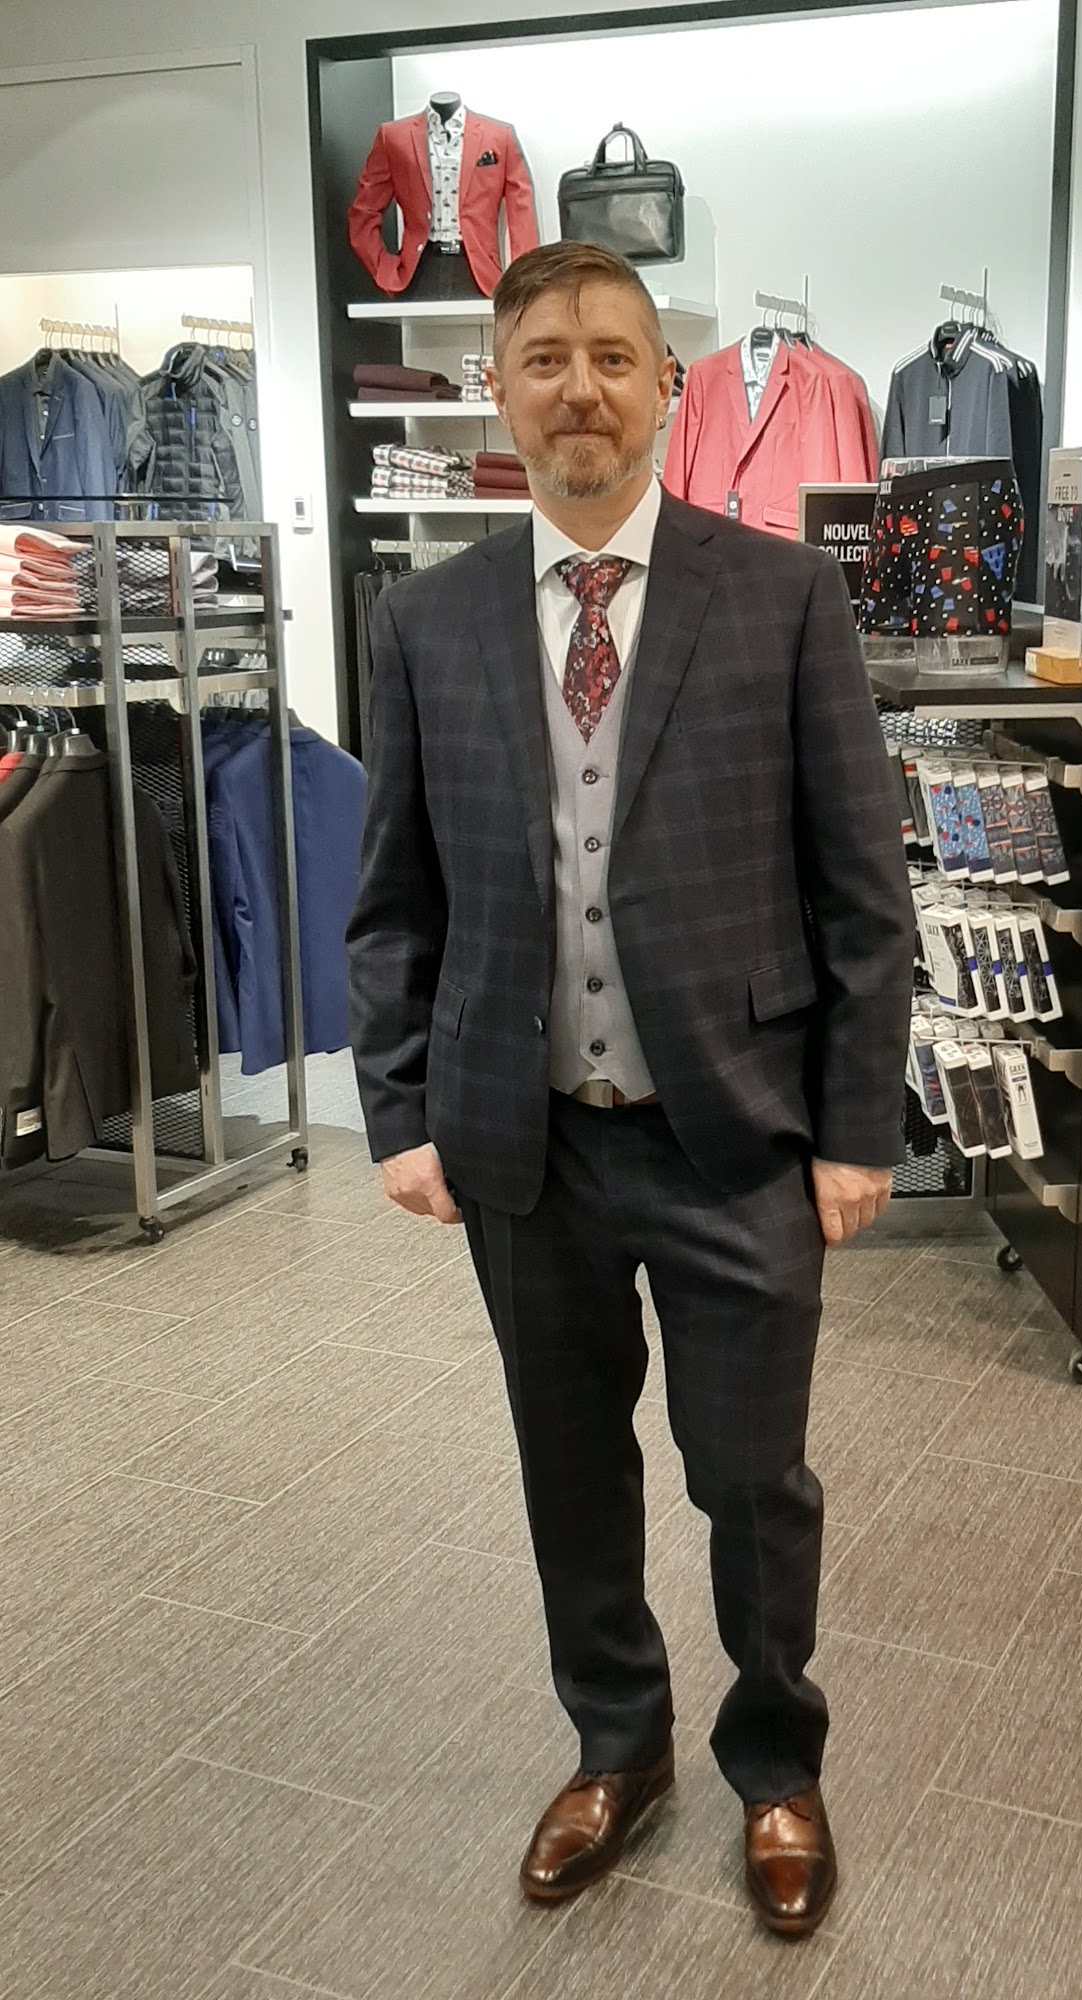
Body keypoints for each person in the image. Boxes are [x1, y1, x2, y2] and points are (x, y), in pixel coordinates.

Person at [346, 240, 911, 1940]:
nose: (578, 388)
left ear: (667, 386)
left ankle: (777, 1759)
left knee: (753, 1479)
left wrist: (857, 1128)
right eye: (544, 359)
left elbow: (861, 892)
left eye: (612, 356)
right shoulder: (426, 618)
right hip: (524, 1149)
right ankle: (617, 1743)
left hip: (738, 1136)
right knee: (569, 1467)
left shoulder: (782, 597)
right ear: (497, 390)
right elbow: (394, 898)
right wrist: (401, 1108)